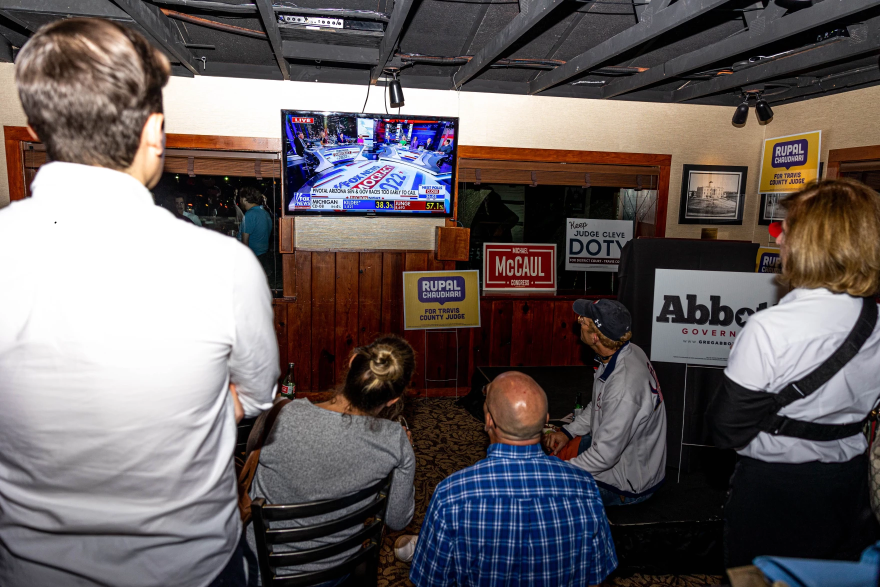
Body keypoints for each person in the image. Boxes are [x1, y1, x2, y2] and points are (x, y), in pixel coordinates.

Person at [0, 17, 279, 587]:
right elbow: (257, 394)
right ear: (155, 132)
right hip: (194, 567)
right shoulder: (221, 267)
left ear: (36, 128)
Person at [707, 179, 880, 568]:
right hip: (851, 486)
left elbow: (726, 429)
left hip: (777, 491)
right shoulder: (877, 320)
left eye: (785, 228)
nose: (779, 239)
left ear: (810, 242)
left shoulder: (771, 328)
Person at [402, 371, 617, 587]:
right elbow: (595, 577)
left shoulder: (451, 495)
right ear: (546, 420)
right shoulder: (585, 488)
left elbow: (430, 581)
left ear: (488, 421)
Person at [245, 336, 416, 584]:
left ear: (352, 361)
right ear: (393, 399)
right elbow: (398, 520)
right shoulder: (395, 442)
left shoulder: (279, 415)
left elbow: (247, 467)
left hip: (263, 570)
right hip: (337, 571)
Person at [544, 299, 667, 507]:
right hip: (623, 454)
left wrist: (557, 475)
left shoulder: (624, 388)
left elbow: (603, 457)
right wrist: (567, 432)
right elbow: (599, 404)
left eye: (583, 320)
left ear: (595, 337)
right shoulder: (624, 351)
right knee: (552, 453)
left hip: (628, 484)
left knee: (545, 493)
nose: (578, 319)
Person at [239, 186, 274, 279]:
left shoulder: (249, 214)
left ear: (245, 200)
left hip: (253, 257)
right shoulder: (265, 212)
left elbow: (245, 240)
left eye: (240, 198)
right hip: (263, 256)